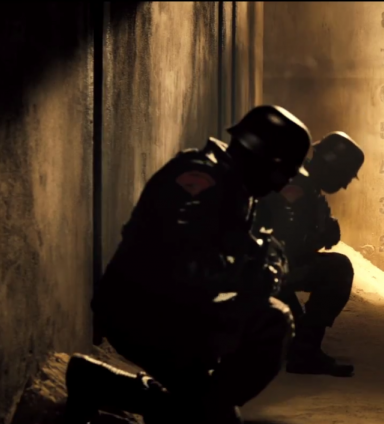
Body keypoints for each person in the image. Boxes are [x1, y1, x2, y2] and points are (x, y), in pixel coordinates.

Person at [64, 105, 313, 424]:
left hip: (173, 309)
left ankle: (102, 383)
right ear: (260, 158)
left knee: (269, 322)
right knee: (269, 324)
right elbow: (182, 265)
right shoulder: (199, 178)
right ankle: (193, 408)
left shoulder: (234, 183)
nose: (280, 185)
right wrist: (248, 269)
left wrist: (261, 259)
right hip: (139, 311)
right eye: (280, 174)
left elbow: (231, 249)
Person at [251, 131, 364, 378]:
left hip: (265, 266)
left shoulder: (302, 183)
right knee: (338, 269)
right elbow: (284, 247)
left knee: (294, 326)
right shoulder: (296, 187)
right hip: (260, 270)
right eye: (344, 177)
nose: (344, 185)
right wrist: (321, 237)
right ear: (331, 168)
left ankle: (297, 343)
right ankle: (304, 353)